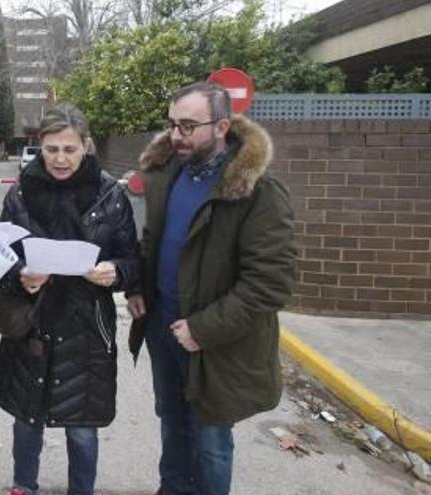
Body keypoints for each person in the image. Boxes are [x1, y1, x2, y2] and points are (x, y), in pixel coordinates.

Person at [126, 82, 296, 495]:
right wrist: (138, 287)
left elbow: (270, 283)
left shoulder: (256, 190)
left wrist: (202, 329)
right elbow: (153, 241)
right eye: (171, 125)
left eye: (188, 126)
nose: (176, 136)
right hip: (162, 329)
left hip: (213, 342)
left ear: (221, 126)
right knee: (172, 423)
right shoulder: (167, 174)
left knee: (210, 442)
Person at [0, 104, 140, 495]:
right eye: (51, 149)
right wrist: (21, 276)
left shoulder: (110, 194)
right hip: (32, 320)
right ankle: (24, 486)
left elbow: (132, 258)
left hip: (87, 325)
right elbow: (1, 258)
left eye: (69, 149)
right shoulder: (21, 193)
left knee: (83, 430)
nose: (59, 158)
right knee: (27, 420)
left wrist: (116, 273)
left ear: (86, 146)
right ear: (40, 146)